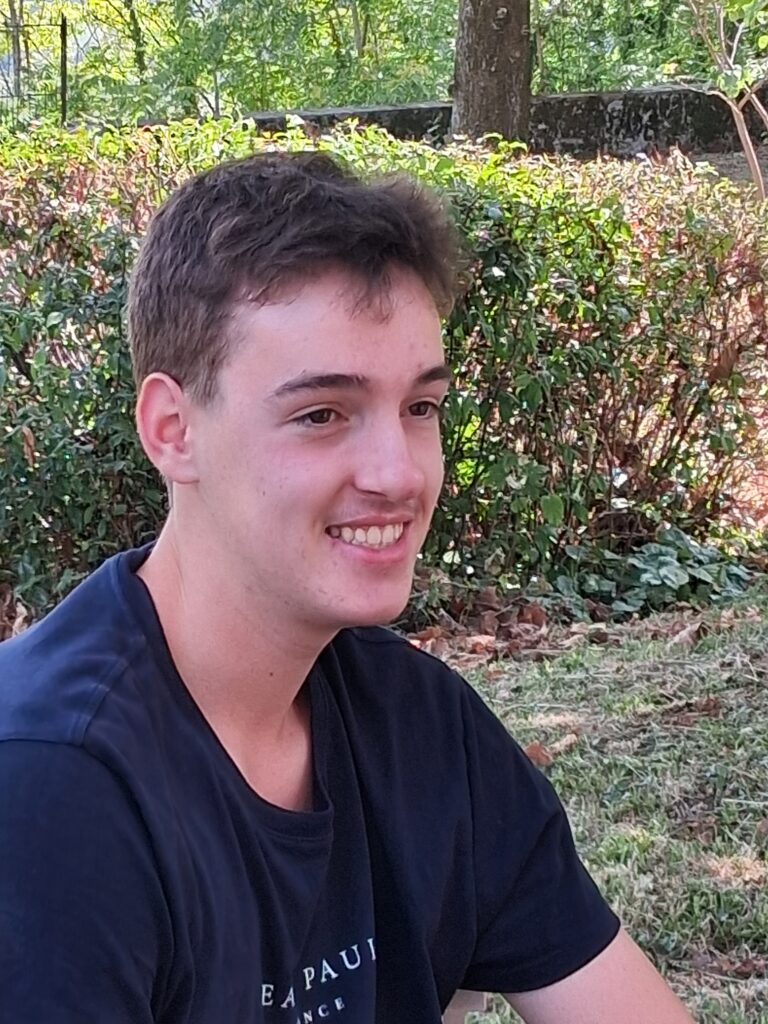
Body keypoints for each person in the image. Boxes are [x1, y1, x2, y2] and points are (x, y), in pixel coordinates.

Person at [0, 151, 693, 1024]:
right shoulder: (50, 785)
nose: (398, 474)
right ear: (173, 430)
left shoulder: (416, 724)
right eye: (322, 414)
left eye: (420, 408)